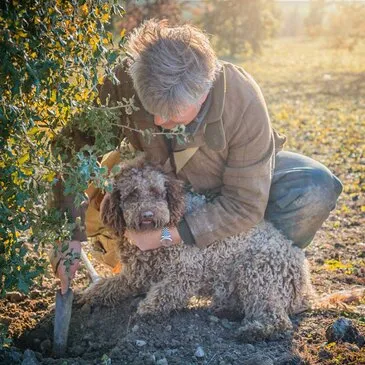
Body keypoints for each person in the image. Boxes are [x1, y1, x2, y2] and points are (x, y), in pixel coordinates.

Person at [51, 20, 343, 294]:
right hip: (158, 198)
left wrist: (166, 237)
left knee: (314, 188)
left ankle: (257, 282)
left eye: (172, 114)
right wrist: (69, 233)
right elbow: (72, 149)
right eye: (151, 109)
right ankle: (150, 275)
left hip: (229, 187)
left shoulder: (242, 97)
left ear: (204, 91)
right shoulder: (124, 82)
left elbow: (244, 203)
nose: (158, 120)